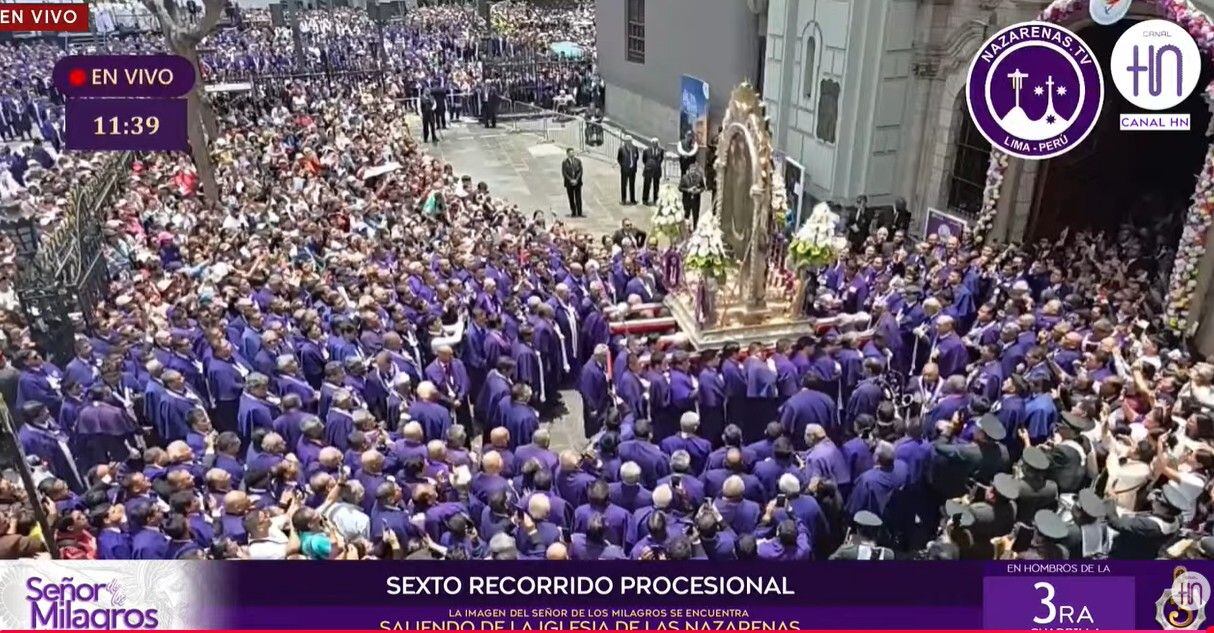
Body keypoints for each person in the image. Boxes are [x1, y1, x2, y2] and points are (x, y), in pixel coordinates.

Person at [679, 162, 706, 228]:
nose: (693, 172)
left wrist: (699, 190)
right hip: (686, 199)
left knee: (695, 215)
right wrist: (688, 190)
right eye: (691, 170)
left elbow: (703, 187)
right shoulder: (684, 178)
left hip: (696, 200)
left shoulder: (699, 177)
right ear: (689, 170)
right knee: (686, 214)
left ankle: (695, 228)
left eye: (694, 170)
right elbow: (680, 188)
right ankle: (686, 228)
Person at [617, 137, 639, 206]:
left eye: (630, 141)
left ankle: (632, 199)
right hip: (625, 170)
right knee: (624, 185)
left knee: (632, 185)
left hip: (632, 170)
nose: (629, 142)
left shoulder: (635, 148)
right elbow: (619, 158)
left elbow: (637, 157)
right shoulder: (621, 149)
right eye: (627, 141)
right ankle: (624, 200)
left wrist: (633, 164)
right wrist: (623, 165)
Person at [562, 147, 584, 218]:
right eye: (570, 153)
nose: (572, 155)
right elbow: (564, 173)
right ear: (567, 154)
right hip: (569, 183)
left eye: (573, 153)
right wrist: (570, 180)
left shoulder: (578, 161)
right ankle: (573, 212)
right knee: (571, 198)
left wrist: (576, 180)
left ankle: (580, 212)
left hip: (577, 183)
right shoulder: (565, 162)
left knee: (578, 198)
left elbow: (580, 171)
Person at [642, 138, 664, 205]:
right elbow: (644, 160)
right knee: (646, 185)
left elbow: (661, 159)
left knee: (656, 186)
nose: (655, 144)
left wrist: (656, 165)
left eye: (656, 143)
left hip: (657, 170)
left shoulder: (661, 150)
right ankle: (645, 199)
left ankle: (656, 199)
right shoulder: (646, 150)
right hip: (648, 170)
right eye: (654, 143)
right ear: (651, 143)